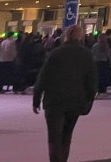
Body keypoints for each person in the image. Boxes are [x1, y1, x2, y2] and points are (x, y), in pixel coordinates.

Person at [32, 25, 97, 162]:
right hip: (75, 101)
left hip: (54, 101)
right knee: (66, 136)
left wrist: (36, 98)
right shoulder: (86, 54)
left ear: (66, 36)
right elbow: (91, 80)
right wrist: (89, 99)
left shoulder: (56, 53)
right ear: (81, 37)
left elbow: (43, 77)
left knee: (54, 138)